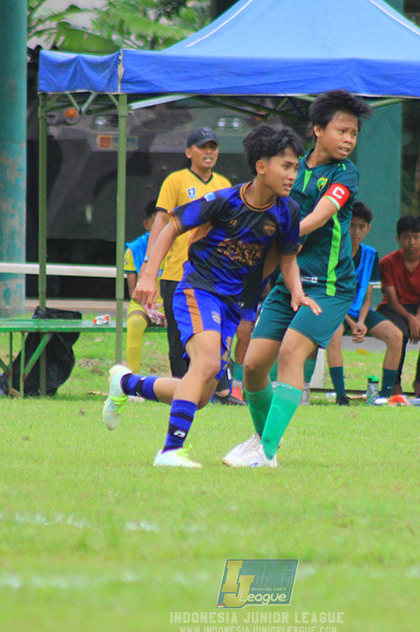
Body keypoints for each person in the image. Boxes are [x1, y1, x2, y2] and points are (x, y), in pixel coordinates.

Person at [101, 123, 316, 468]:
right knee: (207, 365)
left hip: (233, 305)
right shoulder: (224, 200)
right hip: (198, 289)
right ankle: (170, 452)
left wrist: (296, 292)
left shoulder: (287, 212)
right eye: (286, 166)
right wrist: (147, 276)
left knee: (199, 394)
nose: (293, 175)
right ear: (261, 166)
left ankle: (125, 383)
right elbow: (171, 225)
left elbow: (287, 259)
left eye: (295, 167)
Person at [222, 89, 373, 468]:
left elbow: (321, 216)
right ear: (318, 130)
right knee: (254, 364)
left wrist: (285, 236)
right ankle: (264, 441)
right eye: (342, 131)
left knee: (291, 352)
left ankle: (266, 450)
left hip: (330, 286)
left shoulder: (345, 174)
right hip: (288, 283)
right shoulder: (291, 167)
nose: (349, 140)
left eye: (354, 134)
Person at [149, 126, 239, 404]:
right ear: (189, 152)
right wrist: (149, 268)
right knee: (179, 338)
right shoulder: (175, 181)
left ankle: (222, 392)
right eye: (202, 147)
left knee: (217, 334)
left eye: (213, 146)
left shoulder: (224, 184)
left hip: (212, 276)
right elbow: (162, 222)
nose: (209, 152)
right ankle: (179, 389)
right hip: (177, 273)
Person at [324, 202, 402, 405]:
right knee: (333, 336)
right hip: (337, 311)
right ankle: (341, 395)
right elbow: (332, 296)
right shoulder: (335, 252)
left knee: (396, 336)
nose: (356, 231)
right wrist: (352, 324)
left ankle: (384, 396)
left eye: (361, 227)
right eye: (352, 225)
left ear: (368, 228)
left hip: (360, 313)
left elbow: (368, 296)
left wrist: (362, 320)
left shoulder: (370, 254)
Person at [377, 214, 420, 397]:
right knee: (400, 334)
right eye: (406, 237)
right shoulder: (388, 263)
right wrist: (411, 320)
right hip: (394, 308)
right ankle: (395, 382)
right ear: (398, 239)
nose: (411, 242)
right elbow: (391, 300)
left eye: (416, 237)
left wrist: (417, 320)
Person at [123, 200, 165, 374]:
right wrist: (151, 308)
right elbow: (133, 293)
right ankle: (132, 381)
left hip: (172, 302)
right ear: (146, 224)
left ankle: (185, 382)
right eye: (156, 222)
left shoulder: (179, 248)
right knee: (134, 323)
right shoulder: (133, 250)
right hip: (143, 303)